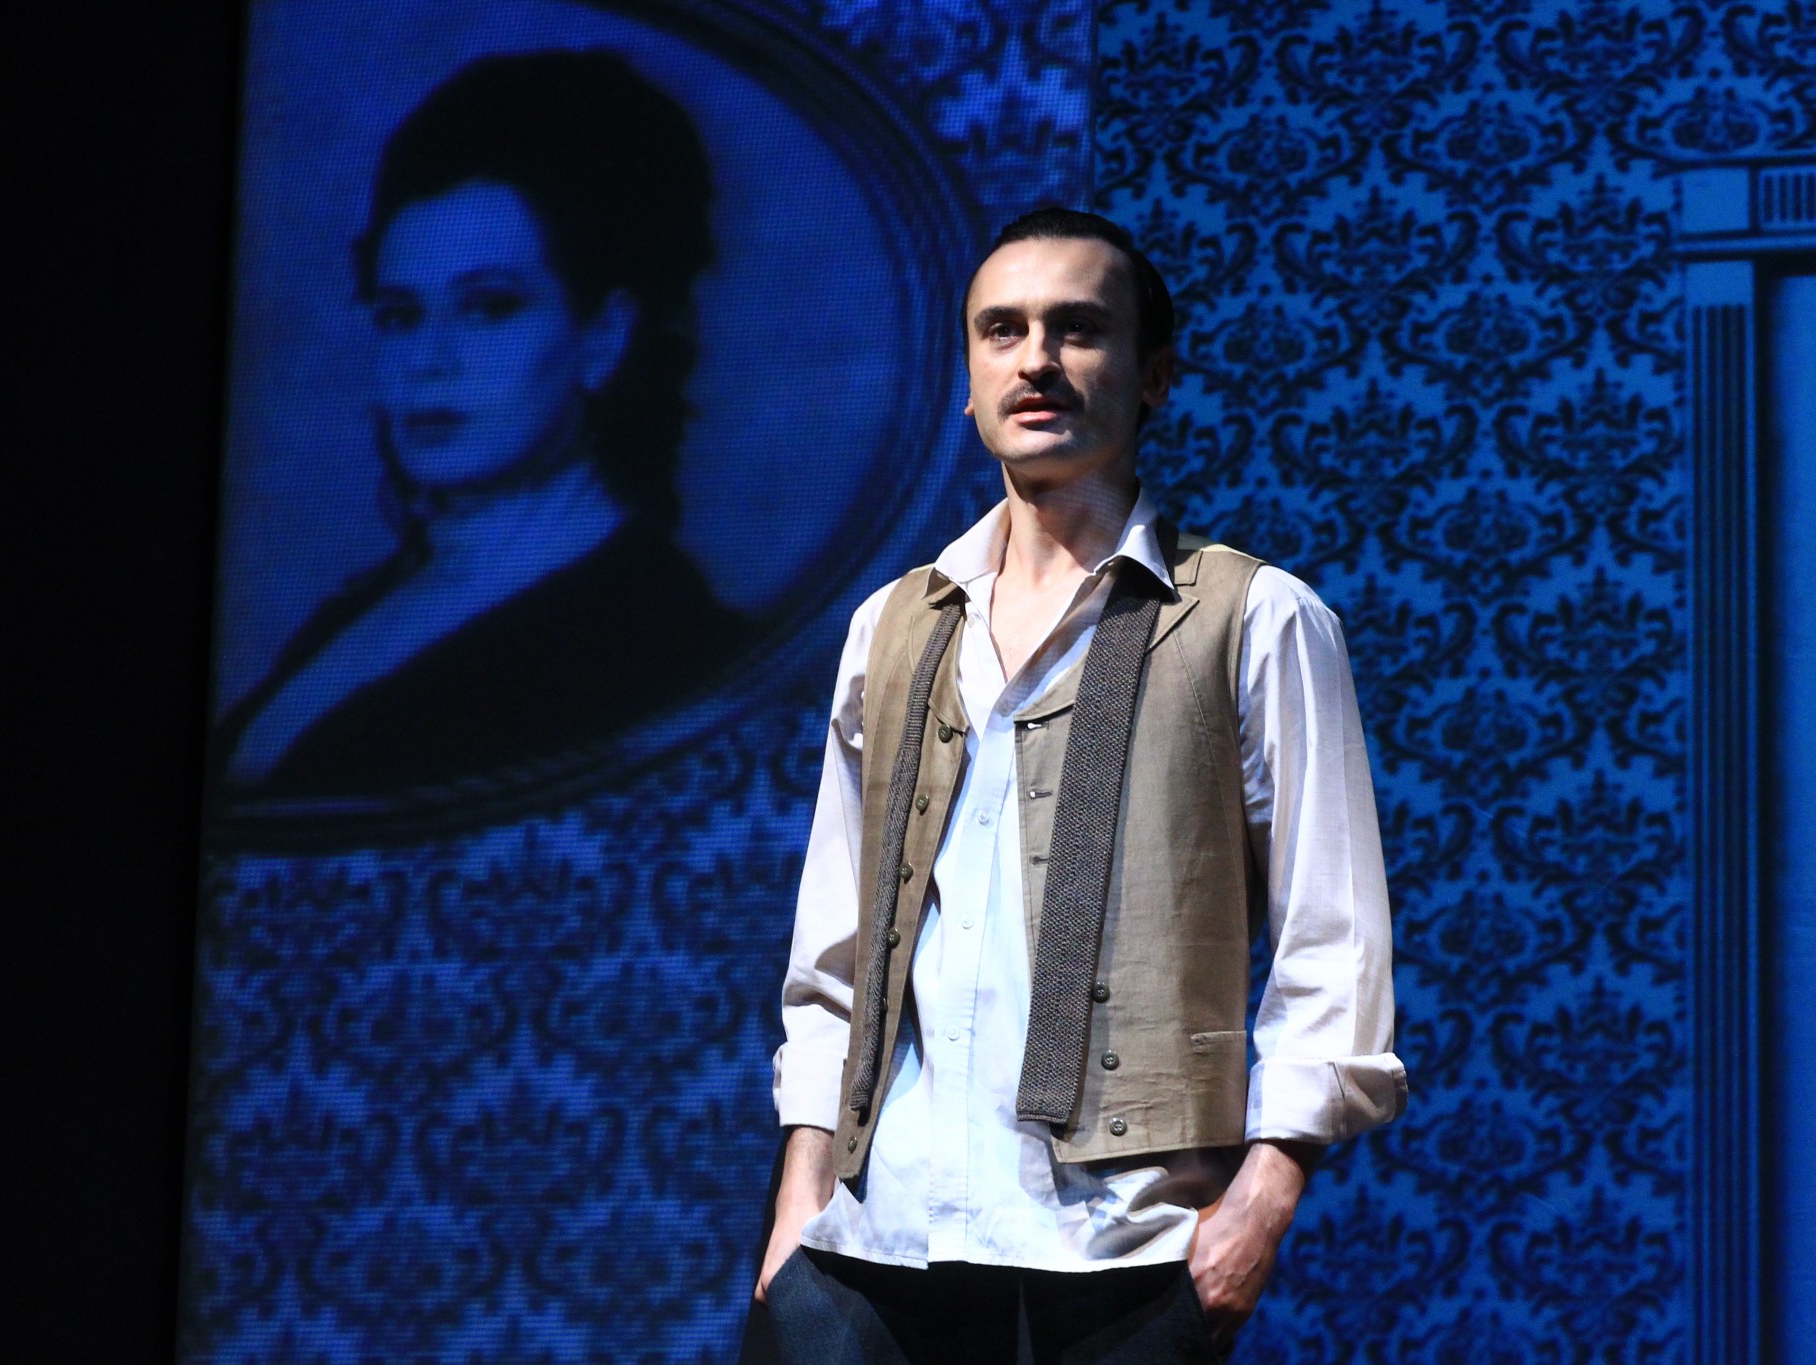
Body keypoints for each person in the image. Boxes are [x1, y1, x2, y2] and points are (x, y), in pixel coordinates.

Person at [753, 209, 1407, 1361]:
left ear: (1152, 375)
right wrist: (797, 1203)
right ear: (967, 381)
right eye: (1001, 331)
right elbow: (834, 952)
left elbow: (1331, 942)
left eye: (1078, 329)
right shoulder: (892, 626)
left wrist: (1261, 1201)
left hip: (1121, 1255)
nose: (1036, 361)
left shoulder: (1254, 618)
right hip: (870, 1247)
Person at [212, 50, 749, 804]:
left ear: (604, 334)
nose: (427, 362)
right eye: (401, 315)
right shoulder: (373, 603)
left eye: (489, 307)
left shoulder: (656, 640)